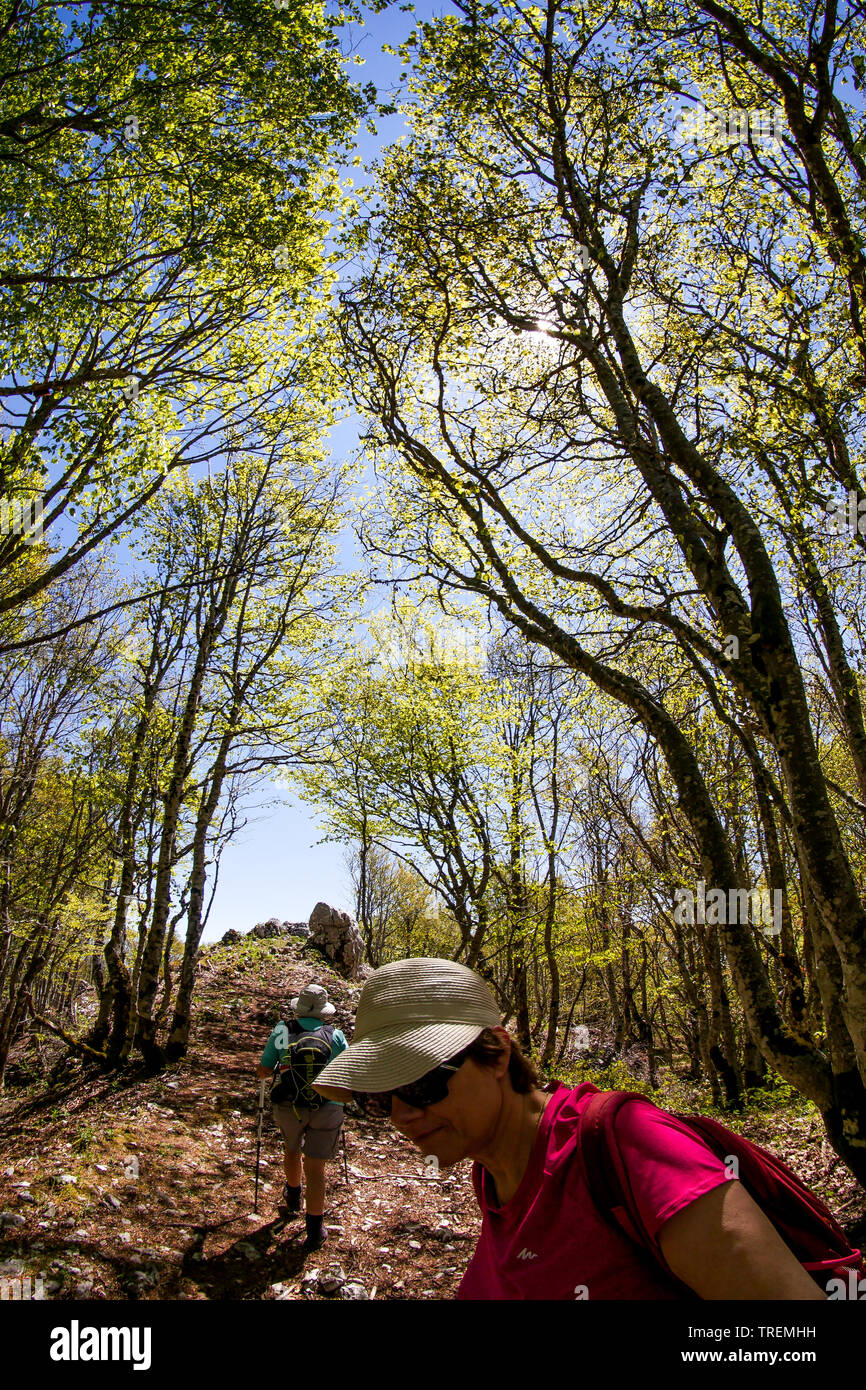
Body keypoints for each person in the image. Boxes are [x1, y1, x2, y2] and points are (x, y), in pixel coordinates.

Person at [312, 957, 827, 1299]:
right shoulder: (492, 1172)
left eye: (423, 1083)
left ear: (495, 1054)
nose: (402, 1114)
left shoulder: (629, 1140)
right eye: (380, 1095)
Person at [256, 981, 348, 1251]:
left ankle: (294, 1197)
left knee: (292, 1149)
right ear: (323, 1010)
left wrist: (270, 1071)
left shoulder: (283, 1030)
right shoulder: (336, 1036)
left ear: (300, 1006)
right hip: (328, 1106)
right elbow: (345, 1073)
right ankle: (315, 1230)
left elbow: (264, 1068)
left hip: (289, 1104)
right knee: (316, 1167)